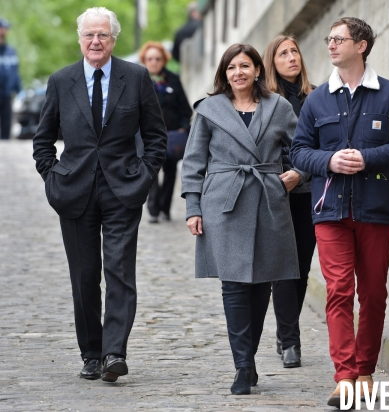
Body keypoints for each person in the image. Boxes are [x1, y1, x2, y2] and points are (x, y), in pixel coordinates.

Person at [290, 17, 389, 408]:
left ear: (361, 45)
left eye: (339, 39)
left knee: (374, 294)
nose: (331, 45)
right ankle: (346, 376)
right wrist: (329, 161)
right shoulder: (316, 100)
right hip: (329, 211)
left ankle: (366, 370)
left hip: (375, 210)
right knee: (338, 291)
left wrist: (366, 158)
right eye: (329, 39)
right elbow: (299, 152)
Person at [32, 7, 167, 383]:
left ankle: (113, 353)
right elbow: (43, 141)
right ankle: (91, 353)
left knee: (120, 273)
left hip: (123, 189)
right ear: (80, 40)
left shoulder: (137, 77)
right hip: (74, 192)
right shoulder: (62, 81)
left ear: (113, 39)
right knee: (85, 276)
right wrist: (52, 177)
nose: (95, 41)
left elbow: (156, 137)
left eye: (103, 35)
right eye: (89, 35)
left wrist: (144, 176)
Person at [181, 43, 301, 395]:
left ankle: (247, 358)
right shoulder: (209, 109)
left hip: (267, 199)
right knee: (233, 285)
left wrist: (296, 174)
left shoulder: (279, 107)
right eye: (231, 67)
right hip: (224, 203)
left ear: (258, 71)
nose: (238, 73)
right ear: (224, 73)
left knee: (262, 284)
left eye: (245, 66)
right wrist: (193, 207)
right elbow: (193, 162)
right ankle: (243, 365)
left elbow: (302, 149)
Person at [263, 35, 315, 368]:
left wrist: (302, 173)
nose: (291, 57)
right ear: (272, 61)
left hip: (309, 193)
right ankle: (290, 339)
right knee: (283, 268)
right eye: (283, 53)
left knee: (303, 269)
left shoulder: (317, 97)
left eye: (294, 51)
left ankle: (285, 332)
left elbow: (323, 145)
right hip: (275, 195)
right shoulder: (265, 101)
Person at [139, 41, 192, 223]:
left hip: (172, 136)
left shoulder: (173, 80)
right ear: (144, 61)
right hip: (148, 137)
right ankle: (153, 209)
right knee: (150, 173)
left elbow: (186, 109)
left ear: (164, 60)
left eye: (157, 59)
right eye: (150, 59)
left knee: (170, 172)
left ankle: (165, 209)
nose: (154, 62)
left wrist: (183, 128)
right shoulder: (140, 81)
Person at [0, 18, 22, 140]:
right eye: (3, 28)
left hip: (7, 94)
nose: (5, 31)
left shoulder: (11, 51)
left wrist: (19, 91)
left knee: (6, 123)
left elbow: (15, 73)